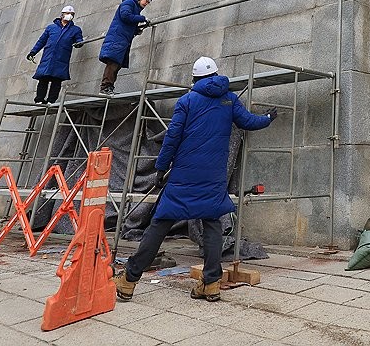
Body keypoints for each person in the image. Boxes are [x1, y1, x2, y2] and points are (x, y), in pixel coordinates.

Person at [114, 56, 277, 302]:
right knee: (212, 224)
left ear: (195, 78)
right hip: (213, 176)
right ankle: (211, 283)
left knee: (159, 224)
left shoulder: (187, 101)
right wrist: (267, 118)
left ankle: (128, 281)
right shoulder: (229, 99)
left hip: (184, 175)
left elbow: (172, 138)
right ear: (215, 75)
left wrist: (160, 168)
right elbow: (248, 122)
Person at [98, 0, 154, 95]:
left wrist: (137, 29)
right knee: (113, 63)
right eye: (146, 1)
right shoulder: (129, 2)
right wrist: (142, 18)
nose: (146, 4)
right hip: (117, 38)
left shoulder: (135, 7)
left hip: (122, 39)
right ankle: (105, 88)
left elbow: (128, 23)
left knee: (116, 65)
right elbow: (125, 16)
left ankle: (109, 88)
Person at [26, 4, 84, 104]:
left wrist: (79, 44)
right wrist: (33, 52)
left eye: (71, 14)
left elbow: (79, 40)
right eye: (67, 13)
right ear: (62, 15)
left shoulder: (75, 30)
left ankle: (51, 100)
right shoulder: (51, 28)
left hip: (62, 58)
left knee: (56, 80)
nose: (69, 15)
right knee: (43, 79)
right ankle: (39, 99)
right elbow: (42, 41)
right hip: (48, 57)